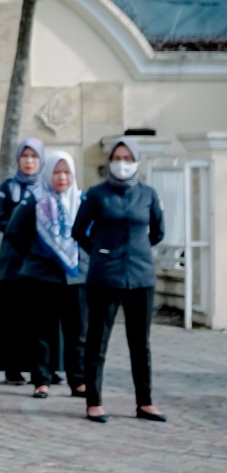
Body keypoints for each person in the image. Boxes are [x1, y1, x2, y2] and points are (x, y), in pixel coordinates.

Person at [74, 140, 166, 423]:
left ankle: (145, 402)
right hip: (105, 276)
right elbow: (79, 231)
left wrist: (137, 249)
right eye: (117, 157)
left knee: (140, 343)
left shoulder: (148, 194)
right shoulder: (97, 194)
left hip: (140, 277)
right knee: (97, 341)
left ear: (137, 161)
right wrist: (100, 251)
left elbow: (158, 232)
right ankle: (94, 402)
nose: (122, 163)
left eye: (128, 158)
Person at [6, 149, 88, 402]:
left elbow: (93, 232)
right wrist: (37, 253)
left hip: (76, 276)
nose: (61, 177)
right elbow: (14, 232)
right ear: (48, 174)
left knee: (77, 332)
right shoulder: (35, 199)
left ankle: (78, 380)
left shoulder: (82, 200)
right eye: (56, 172)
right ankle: (41, 380)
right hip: (41, 276)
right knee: (42, 332)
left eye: (66, 172)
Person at [0, 138, 45, 385]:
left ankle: (43, 368)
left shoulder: (47, 186)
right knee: (13, 318)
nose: (29, 161)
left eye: (34, 156)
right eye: (25, 156)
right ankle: (12, 368)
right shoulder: (9, 186)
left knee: (39, 318)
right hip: (14, 261)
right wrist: (20, 228)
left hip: (40, 261)